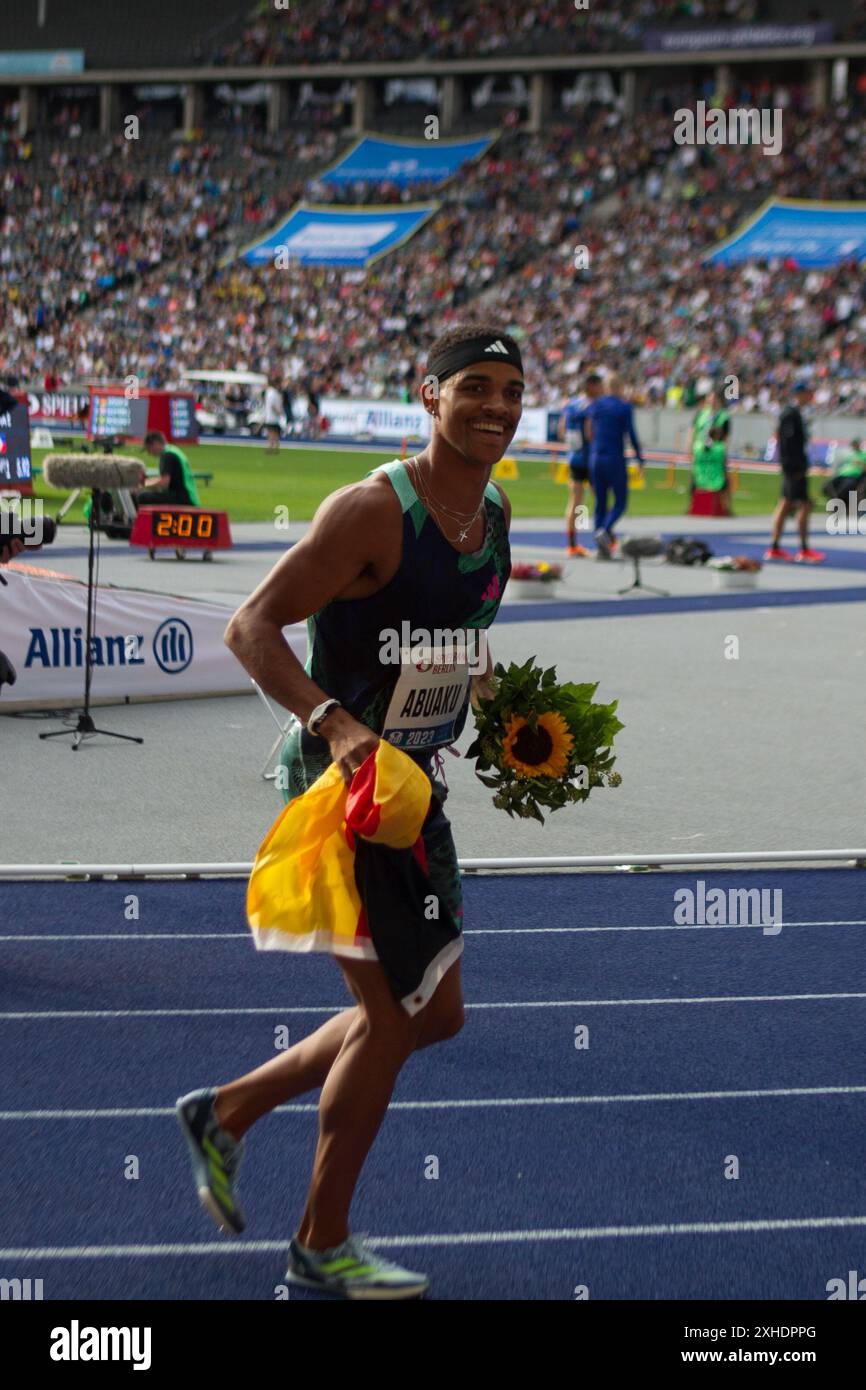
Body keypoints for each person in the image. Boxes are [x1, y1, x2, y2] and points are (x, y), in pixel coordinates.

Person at [175, 321, 521, 1299]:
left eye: (509, 389)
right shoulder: (373, 510)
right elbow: (252, 625)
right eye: (474, 387)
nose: (494, 406)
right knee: (391, 1015)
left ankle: (227, 1110)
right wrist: (334, 724)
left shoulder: (491, 514)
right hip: (342, 792)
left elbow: (450, 640)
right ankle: (319, 1241)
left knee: (432, 1012)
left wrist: (502, 712)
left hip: (415, 788)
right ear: (428, 393)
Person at [585, 373, 645, 559]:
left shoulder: (595, 405)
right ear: (620, 388)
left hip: (596, 458)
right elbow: (631, 434)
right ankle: (605, 529)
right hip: (615, 458)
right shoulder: (624, 407)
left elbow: (589, 432)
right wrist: (639, 458)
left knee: (600, 503)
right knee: (620, 502)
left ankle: (600, 548)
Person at [765, 384, 825, 563]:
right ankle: (802, 548)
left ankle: (776, 546)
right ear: (799, 394)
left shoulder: (794, 413)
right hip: (794, 469)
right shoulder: (791, 414)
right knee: (802, 505)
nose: (809, 397)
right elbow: (788, 445)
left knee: (787, 504)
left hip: (794, 468)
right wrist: (795, 468)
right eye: (807, 394)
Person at [559, 372, 602, 556]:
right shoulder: (591, 406)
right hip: (589, 459)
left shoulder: (570, 405)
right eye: (600, 386)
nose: (602, 390)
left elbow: (561, 430)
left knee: (575, 502)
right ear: (592, 386)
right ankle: (607, 541)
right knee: (600, 499)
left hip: (574, 458)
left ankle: (572, 544)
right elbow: (590, 432)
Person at [688, 386, 731, 512]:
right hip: (700, 451)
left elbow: (726, 436)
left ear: (718, 400)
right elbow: (693, 432)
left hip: (716, 452)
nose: (710, 400)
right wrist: (690, 449)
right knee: (696, 476)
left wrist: (723, 451)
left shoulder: (723, 416)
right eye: (709, 397)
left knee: (722, 477)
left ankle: (726, 507)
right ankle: (693, 505)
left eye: (713, 398)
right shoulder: (701, 414)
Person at [135, 431, 201, 509]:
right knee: (147, 494)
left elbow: (164, 483)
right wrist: (145, 483)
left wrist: (141, 485)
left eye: (149, 449)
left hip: (183, 499)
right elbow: (164, 480)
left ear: (156, 443)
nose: (149, 453)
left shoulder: (168, 456)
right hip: (187, 497)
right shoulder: (172, 450)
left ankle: (137, 520)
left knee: (142, 497)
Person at [262, 374, 284, 453]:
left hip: (271, 416)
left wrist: (278, 412)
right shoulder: (275, 393)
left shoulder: (271, 393)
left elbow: (272, 406)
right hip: (273, 416)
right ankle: (275, 447)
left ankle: (272, 447)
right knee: (275, 433)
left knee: (271, 433)